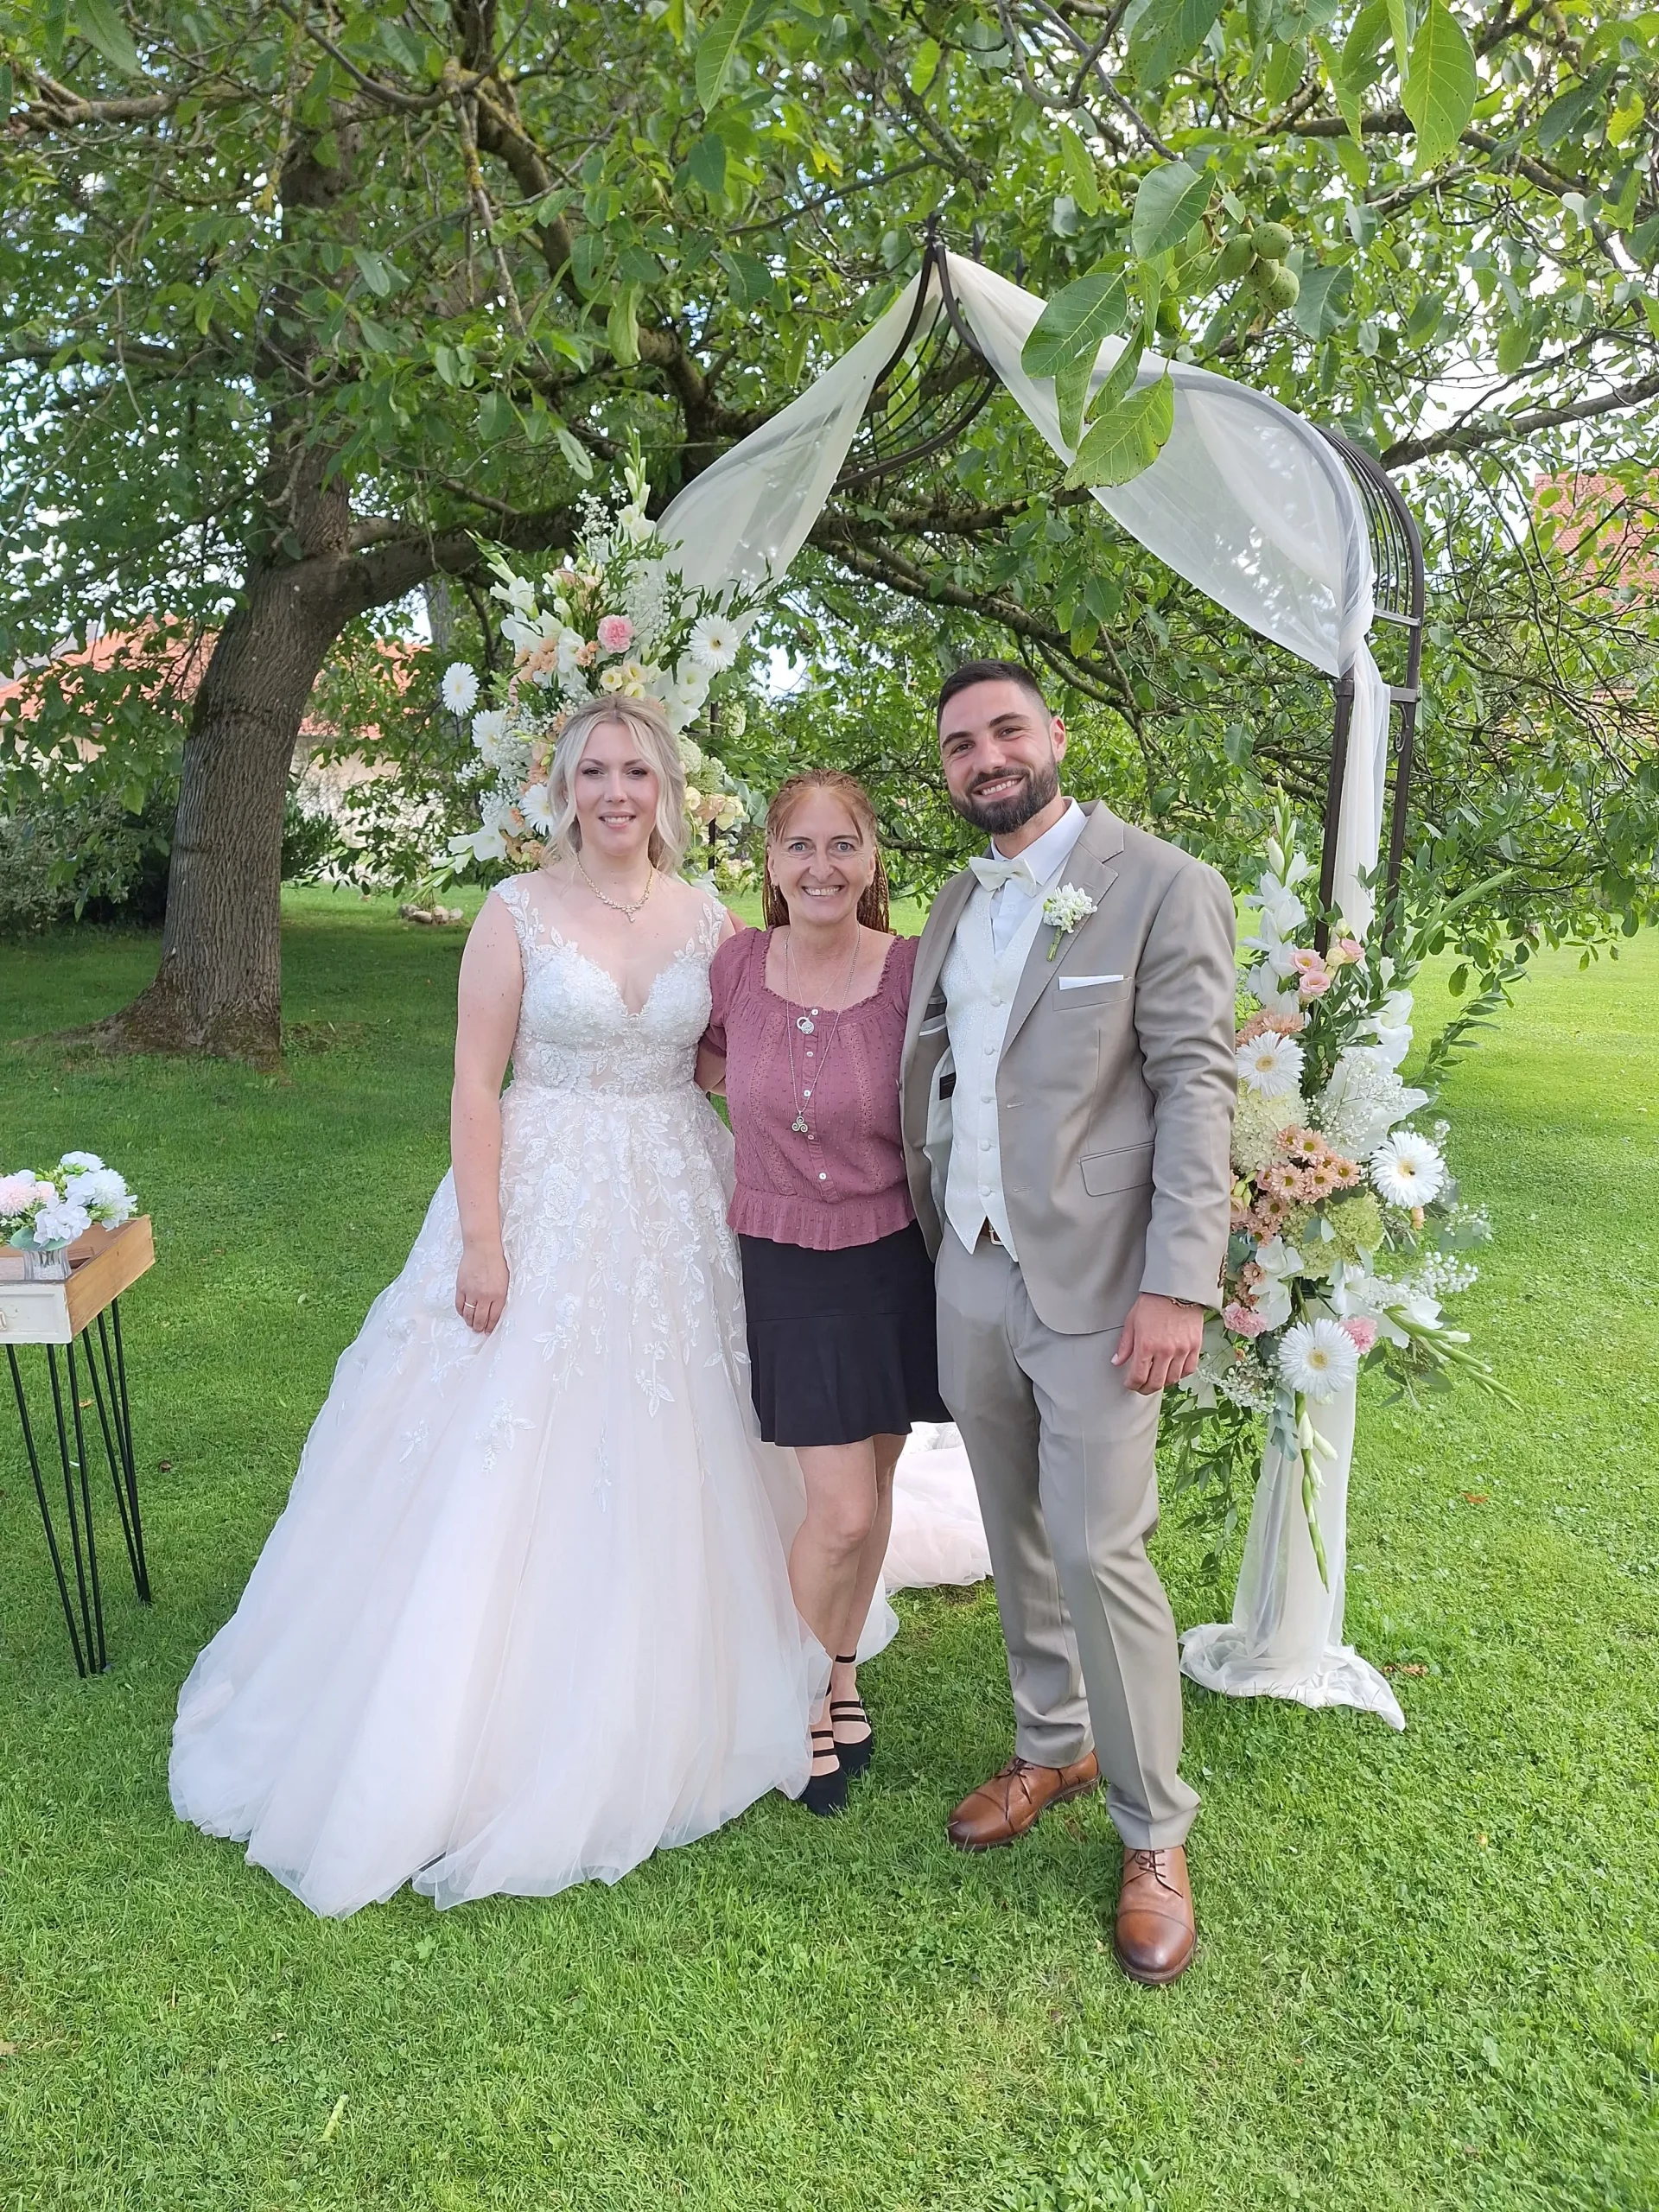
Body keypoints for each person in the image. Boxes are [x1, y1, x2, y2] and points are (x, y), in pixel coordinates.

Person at [170, 696, 819, 1916]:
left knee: (690, 1423)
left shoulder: (711, 919)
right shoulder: (515, 911)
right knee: (505, 1427)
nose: (616, 791)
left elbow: (731, 1066)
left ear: (667, 786)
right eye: (594, 771)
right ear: (564, 787)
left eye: (636, 769)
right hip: (541, 1193)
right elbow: (477, 1083)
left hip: (679, 1189)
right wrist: (482, 1239)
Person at [898, 661, 1237, 1986]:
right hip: (971, 1265)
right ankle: (1053, 1741)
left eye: (1005, 732)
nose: (985, 758)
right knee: (1013, 1531)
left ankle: (1155, 1831)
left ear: (1054, 739)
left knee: (1104, 1550)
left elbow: (1197, 1088)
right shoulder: (949, 901)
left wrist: (1180, 1281)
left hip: (1104, 1281)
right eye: (960, 744)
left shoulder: (1158, 883)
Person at [699, 771, 947, 1815]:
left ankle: (842, 1671)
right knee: (837, 1508)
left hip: (898, 1254)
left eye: (842, 845)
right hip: (787, 1256)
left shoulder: (910, 970)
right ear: (769, 862)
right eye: (800, 847)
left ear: (873, 859)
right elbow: (703, 1066)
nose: (821, 867)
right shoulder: (737, 968)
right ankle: (792, 1697)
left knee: (879, 1485)